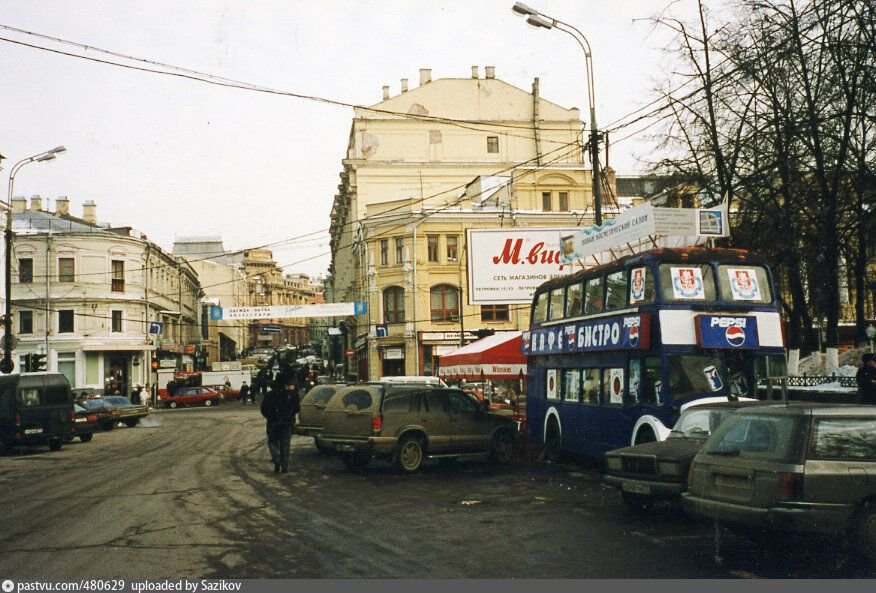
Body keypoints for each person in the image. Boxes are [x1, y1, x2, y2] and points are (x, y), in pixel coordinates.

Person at [260, 379, 300, 473]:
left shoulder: (269, 395)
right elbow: (296, 408)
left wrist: (270, 417)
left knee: (272, 442)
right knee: (285, 444)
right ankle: (284, 466)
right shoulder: (289, 395)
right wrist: (290, 416)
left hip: (273, 423)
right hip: (286, 422)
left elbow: (263, 409)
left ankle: (276, 459)